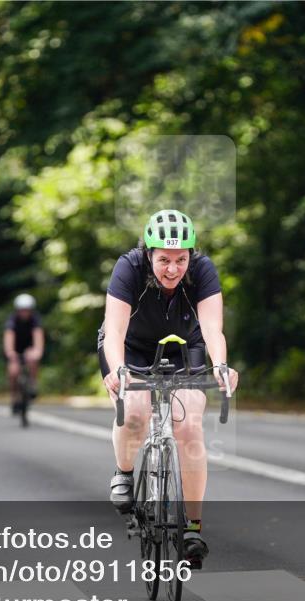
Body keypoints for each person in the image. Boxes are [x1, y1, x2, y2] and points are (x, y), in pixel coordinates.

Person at [98, 209, 239, 567]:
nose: (173, 269)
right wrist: (118, 370)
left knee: (188, 425)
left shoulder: (202, 270)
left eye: (180, 259)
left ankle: (192, 527)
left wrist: (221, 365)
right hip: (130, 347)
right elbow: (114, 331)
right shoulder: (129, 268)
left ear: (191, 255)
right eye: (164, 260)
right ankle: (124, 472)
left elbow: (212, 329)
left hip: (183, 347)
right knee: (135, 412)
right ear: (149, 254)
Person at [4, 293, 45, 412]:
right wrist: (10, 352)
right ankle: (14, 397)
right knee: (13, 372)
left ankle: (32, 384)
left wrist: (38, 351)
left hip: (29, 347)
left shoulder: (35, 319)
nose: (24, 313)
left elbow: (38, 336)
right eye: (22, 310)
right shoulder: (12, 320)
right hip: (15, 348)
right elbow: (9, 336)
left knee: (32, 359)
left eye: (27, 310)